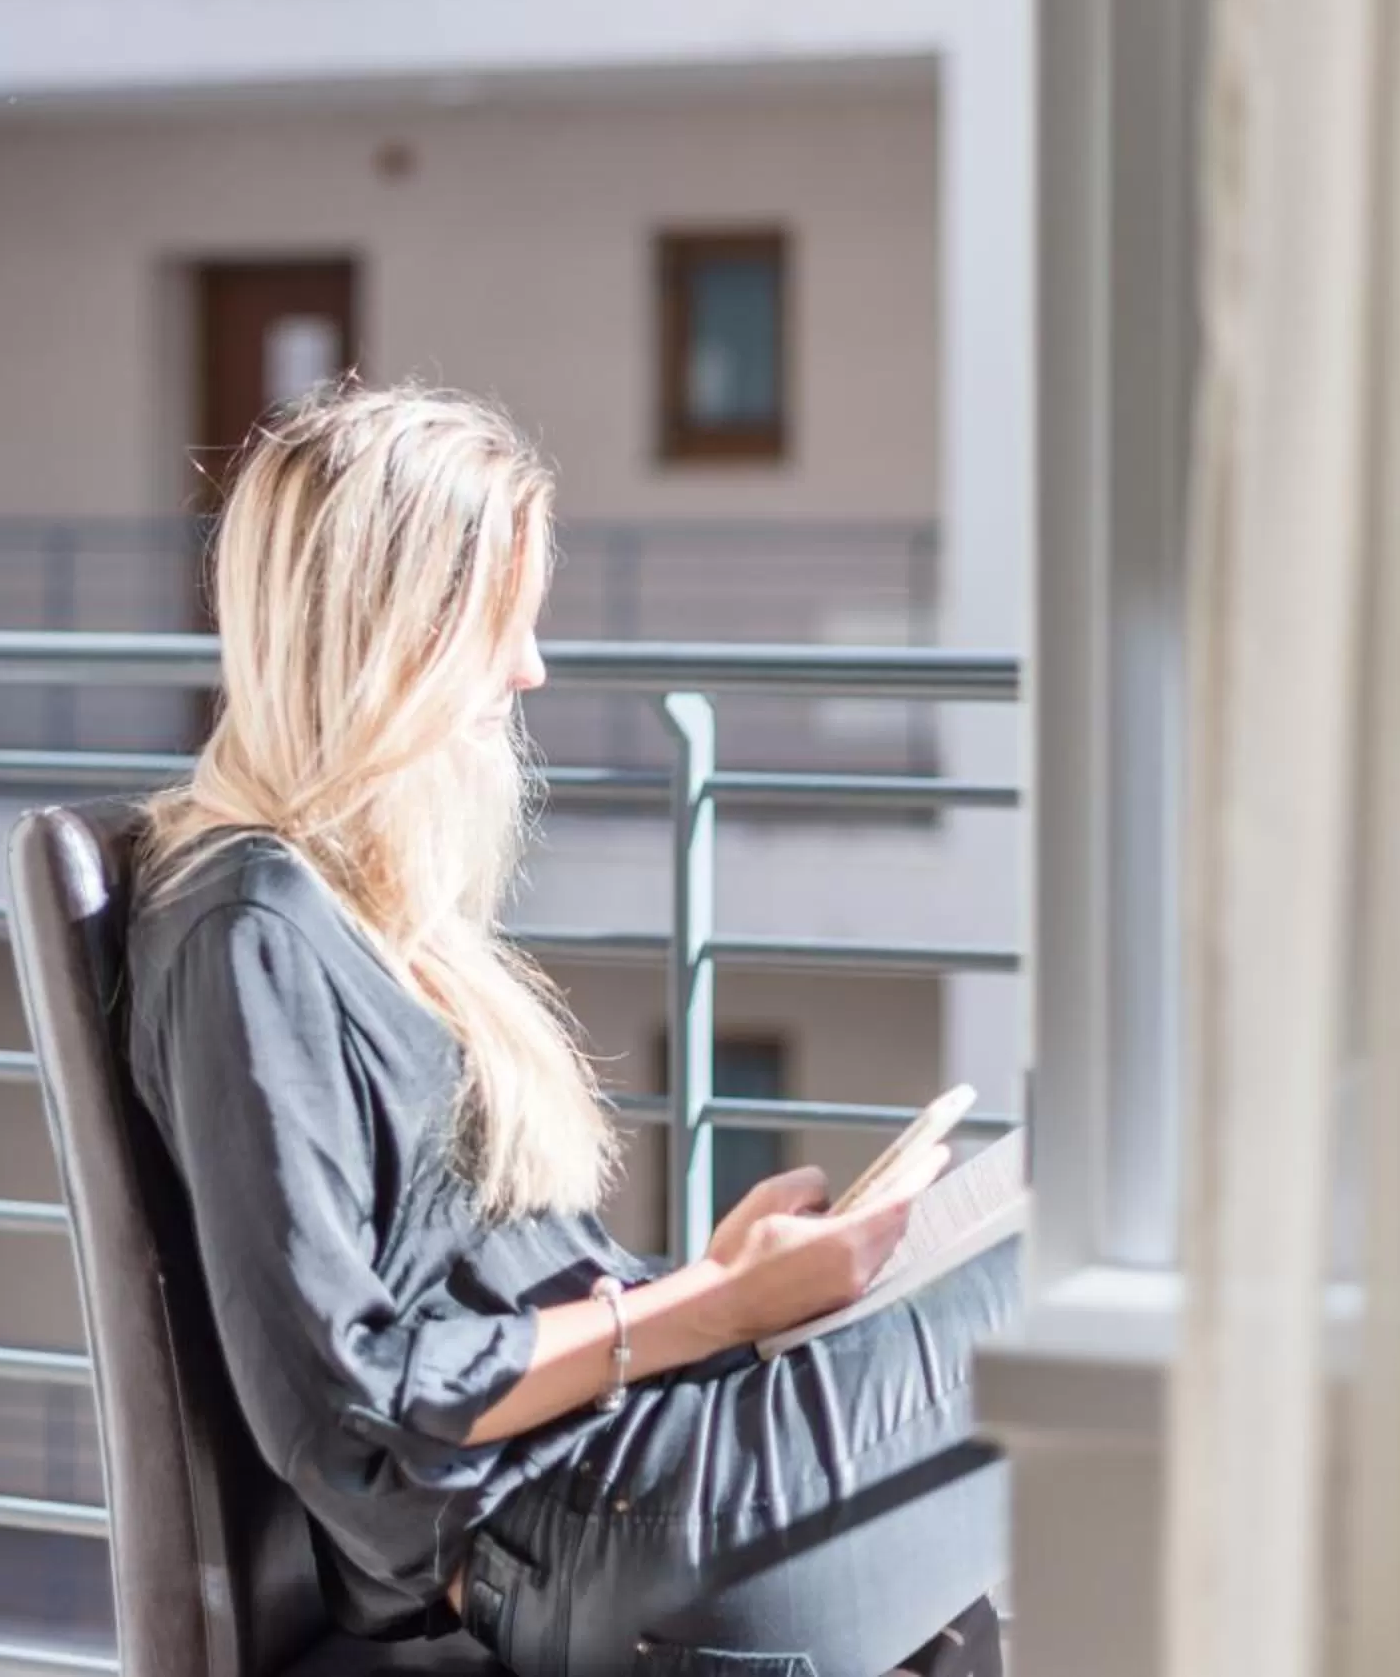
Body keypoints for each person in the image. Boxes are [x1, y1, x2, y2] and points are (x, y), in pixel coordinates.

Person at [128, 385, 1019, 1677]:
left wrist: (705, 1282)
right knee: (1084, 1260)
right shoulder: (249, 928)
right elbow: (348, 1403)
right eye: (506, 621)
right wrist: (709, 1310)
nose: (531, 666)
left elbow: (461, 1287)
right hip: (585, 1531)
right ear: (398, 630)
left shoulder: (358, 915)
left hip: (627, 1477)